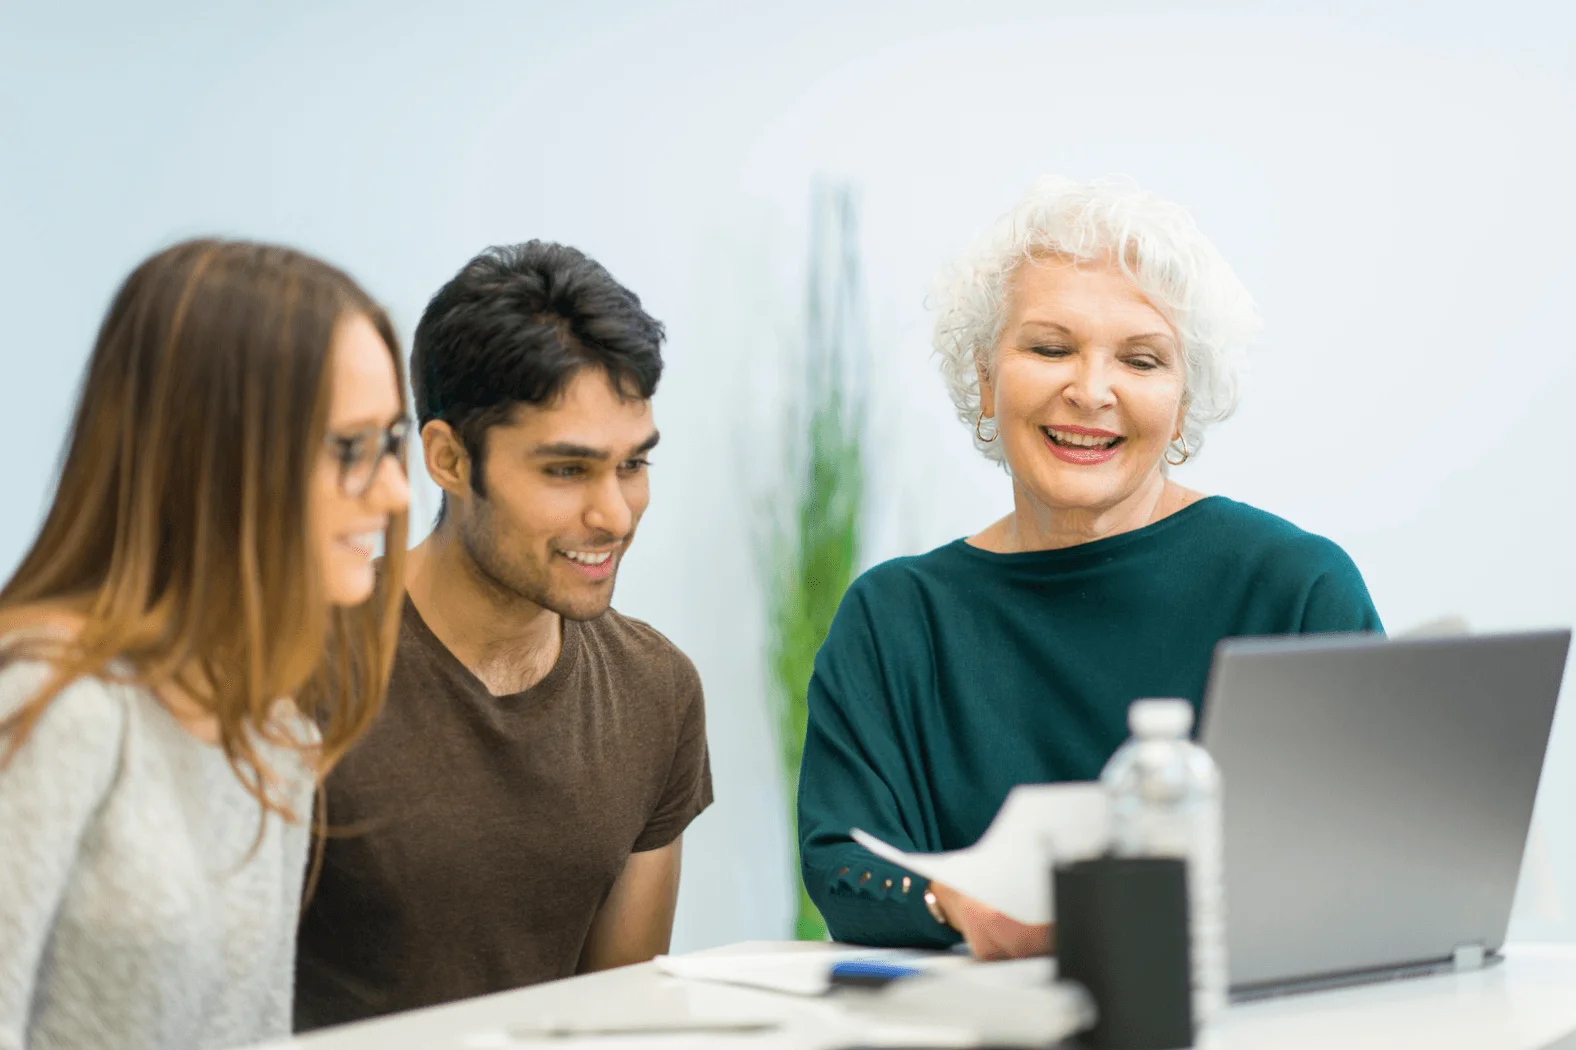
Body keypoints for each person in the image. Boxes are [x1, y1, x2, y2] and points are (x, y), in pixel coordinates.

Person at [797, 177, 1383, 960]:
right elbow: (842, 859)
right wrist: (951, 906)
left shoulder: (1298, 587)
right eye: (1049, 348)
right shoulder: (897, 617)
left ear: (1184, 400)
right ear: (984, 376)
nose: (1091, 390)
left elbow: (1378, 854)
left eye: (1141, 361)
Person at [0, 239, 412, 1050]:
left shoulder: (277, 731)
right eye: (350, 448)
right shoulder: (56, 708)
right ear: (214, 457)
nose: (396, 492)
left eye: (391, 441)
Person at [295, 241, 713, 1029]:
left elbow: (615, 1023)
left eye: (633, 466)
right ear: (448, 460)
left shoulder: (657, 692)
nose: (615, 516)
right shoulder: (297, 669)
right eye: (566, 471)